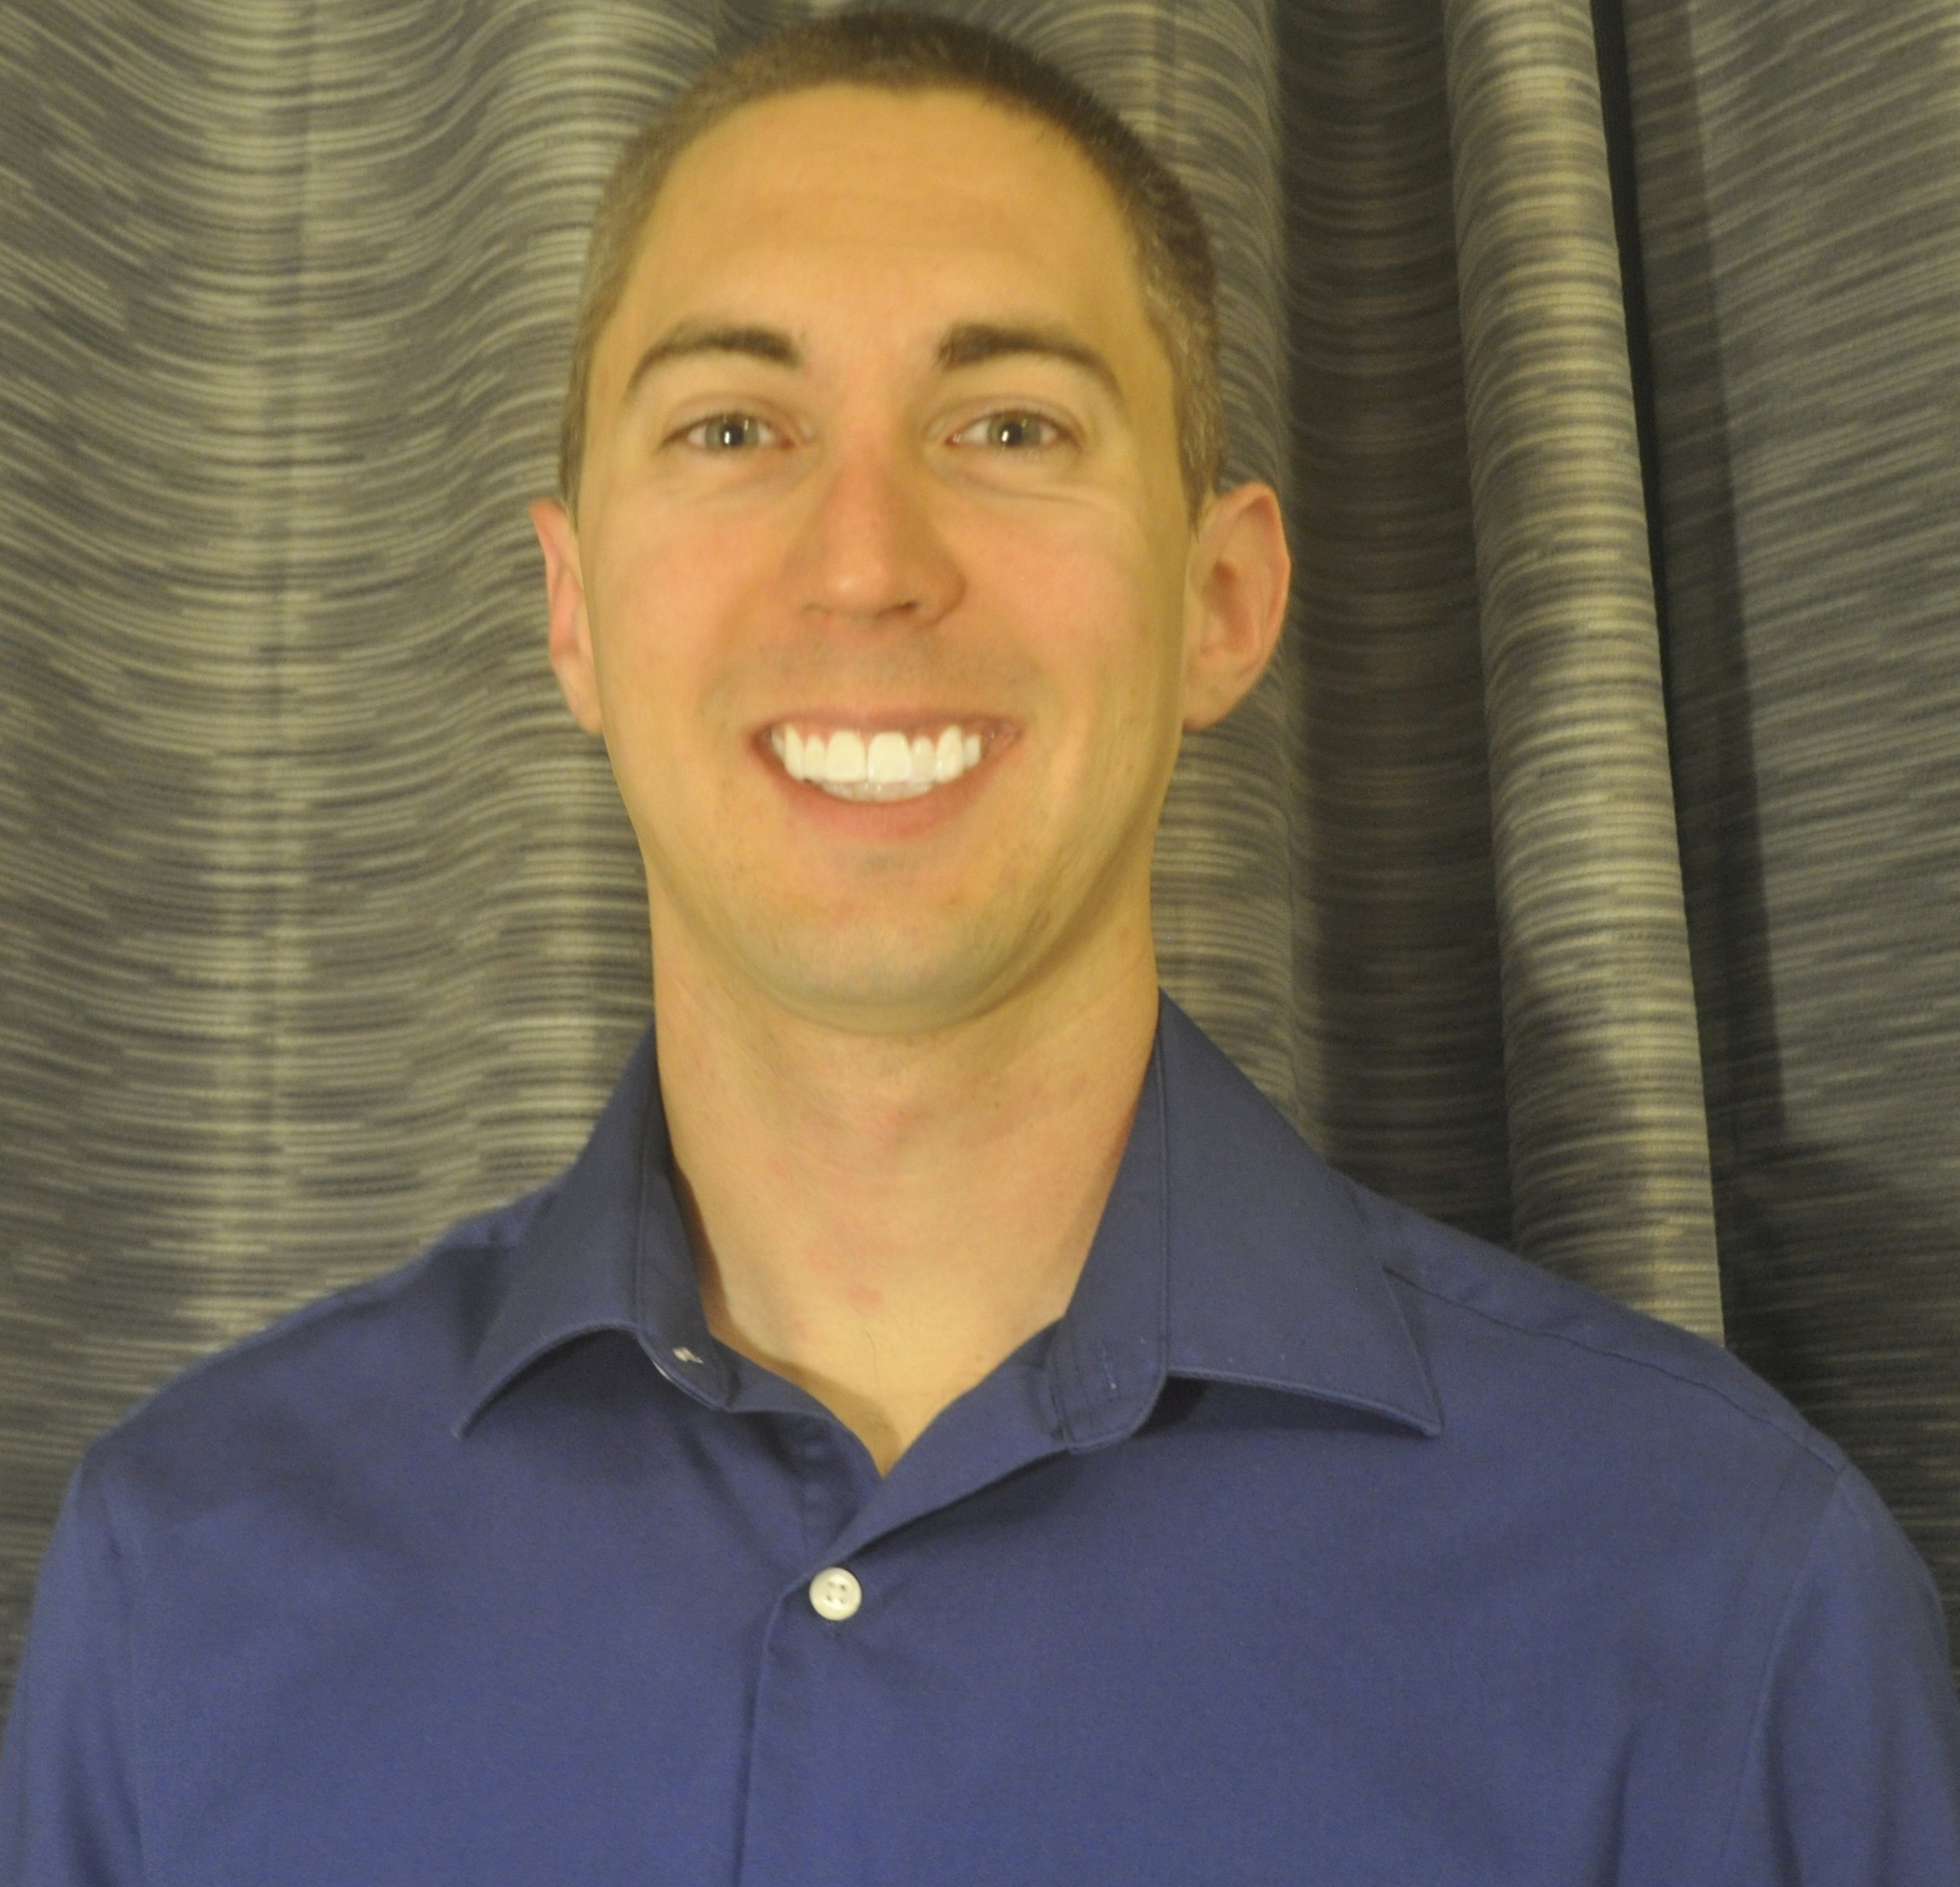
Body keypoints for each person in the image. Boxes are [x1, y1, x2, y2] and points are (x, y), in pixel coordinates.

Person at [4, 9, 1958, 1882]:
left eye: (1008, 424)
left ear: (1220, 598)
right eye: (732, 425)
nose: (866, 558)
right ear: (573, 608)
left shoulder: (1709, 1603)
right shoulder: (185, 1582)